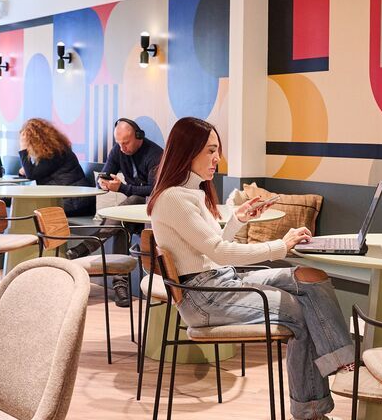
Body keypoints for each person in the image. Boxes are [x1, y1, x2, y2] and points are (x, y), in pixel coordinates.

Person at [148, 117, 354, 420]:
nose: (218, 158)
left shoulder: (191, 193)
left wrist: (238, 219)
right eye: (210, 150)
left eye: (217, 150)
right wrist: (281, 246)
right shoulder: (173, 199)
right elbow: (219, 253)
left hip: (219, 283)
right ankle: (312, 412)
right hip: (204, 297)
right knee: (300, 312)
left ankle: (342, 362)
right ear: (187, 151)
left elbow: (212, 248)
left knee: (311, 278)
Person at [72, 118, 163, 308]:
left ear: (139, 136)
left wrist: (122, 187)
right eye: (119, 143)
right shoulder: (118, 151)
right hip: (132, 213)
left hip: (153, 210)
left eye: (126, 143)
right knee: (122, 225)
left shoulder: (155, 154)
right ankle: (120, 285)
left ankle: (87, 247)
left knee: (129, 205)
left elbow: (154, 190)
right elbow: (106, 173)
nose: (122, 148)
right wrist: (102, 182)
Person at [18, 118, 94, 217]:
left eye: (29, 142)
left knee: (26, 209)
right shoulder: (53, 151)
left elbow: (32, 175)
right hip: (68, 199)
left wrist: (23, 149)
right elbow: (34, 173)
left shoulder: (55, 153)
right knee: (23, 206)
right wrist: (25, 171)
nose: (29, 147)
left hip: (75, 202)